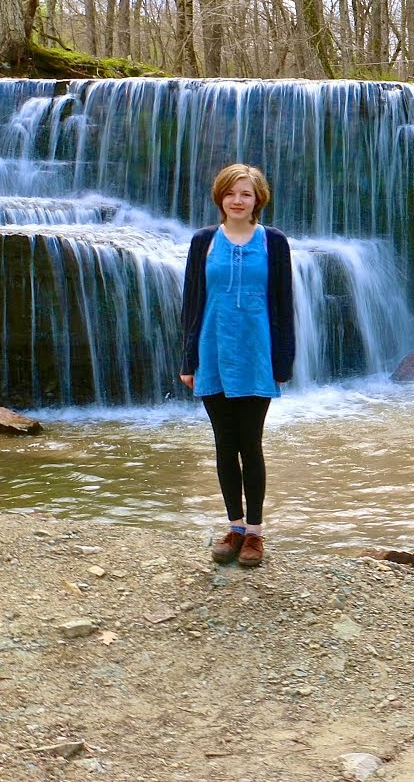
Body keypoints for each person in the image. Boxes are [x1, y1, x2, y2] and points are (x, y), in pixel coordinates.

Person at [179, 163, 295, 567]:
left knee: (251, 443)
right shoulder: (204, 242)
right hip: (212, 350)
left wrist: (284, 360)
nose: (238, 200)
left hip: (256, 353)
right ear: (220, 197)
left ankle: (257, 534)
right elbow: (192, 302)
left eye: (246, 194)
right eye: (231, 193)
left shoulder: (274, 242)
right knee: (224, 445)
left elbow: (284, 304)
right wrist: (188, 358)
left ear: (257, 199)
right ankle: (235, 526)